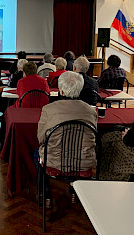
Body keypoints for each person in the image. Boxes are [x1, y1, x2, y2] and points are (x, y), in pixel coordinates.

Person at [36, 71, 97, 203]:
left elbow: (41, 139)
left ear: (61, 91)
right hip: (83, 163)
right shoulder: (91, 111)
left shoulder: (49, 109)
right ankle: (74, 191)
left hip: (55, 162)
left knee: (37, 153)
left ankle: (46, 195)